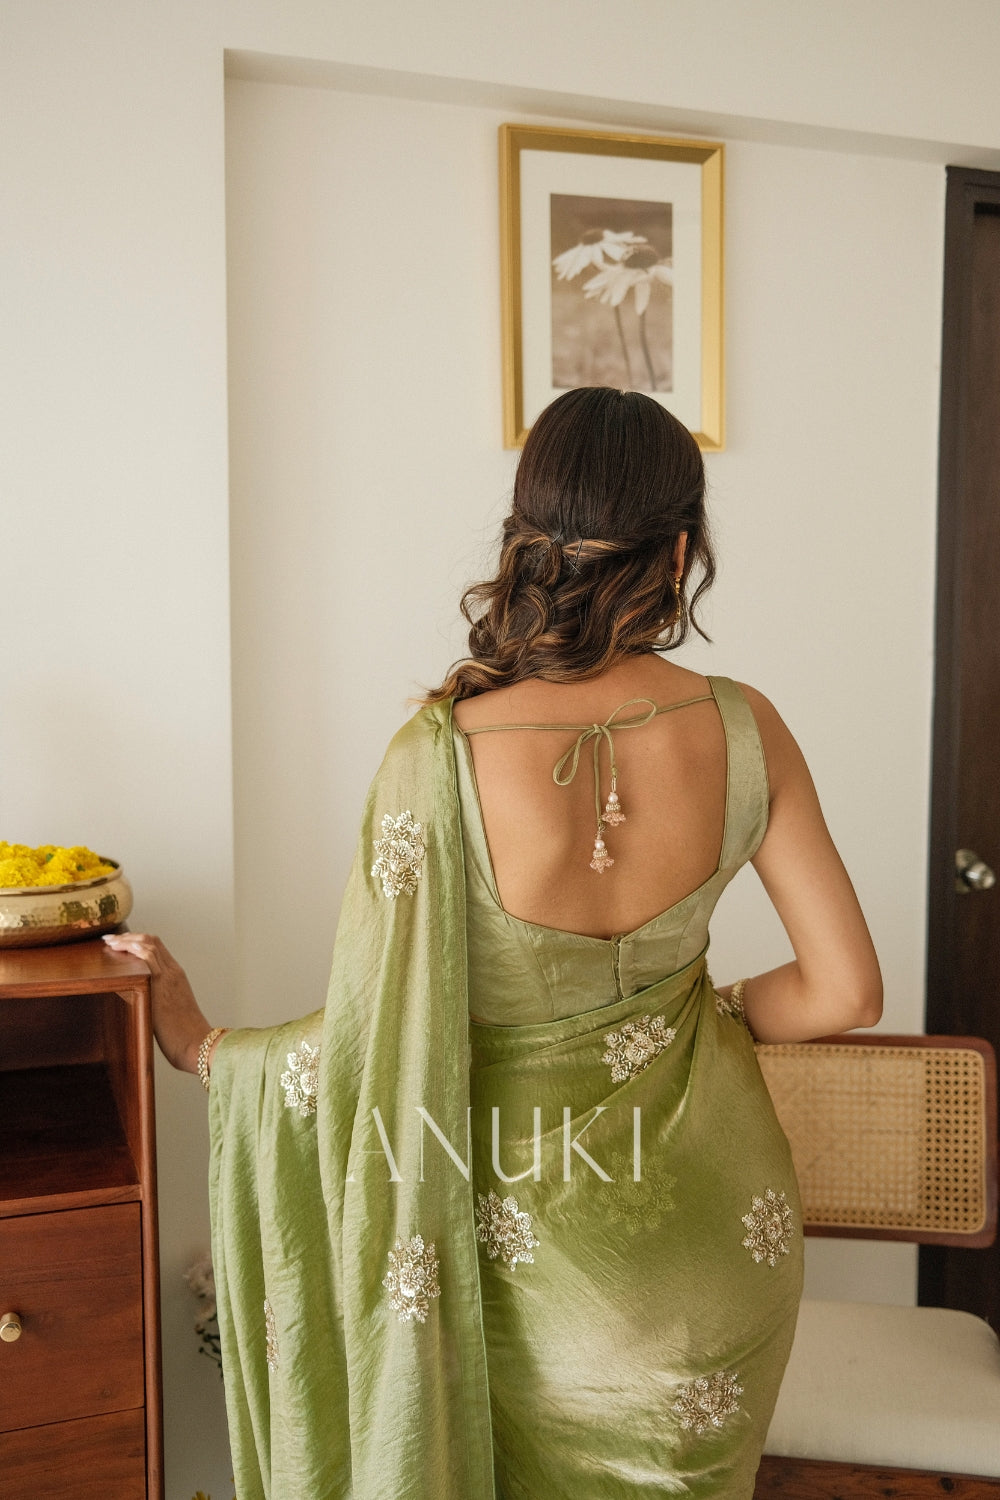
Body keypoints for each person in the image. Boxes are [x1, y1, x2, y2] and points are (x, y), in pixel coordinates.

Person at [104, 386, 882, 1500]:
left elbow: (380, 1034)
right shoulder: (747, 727)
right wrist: (686, 1014)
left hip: (532, 1263)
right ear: (679, 550)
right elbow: (846, 992)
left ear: (526, 540)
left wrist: (206, 1048)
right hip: (719, 1251)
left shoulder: (437, 756)